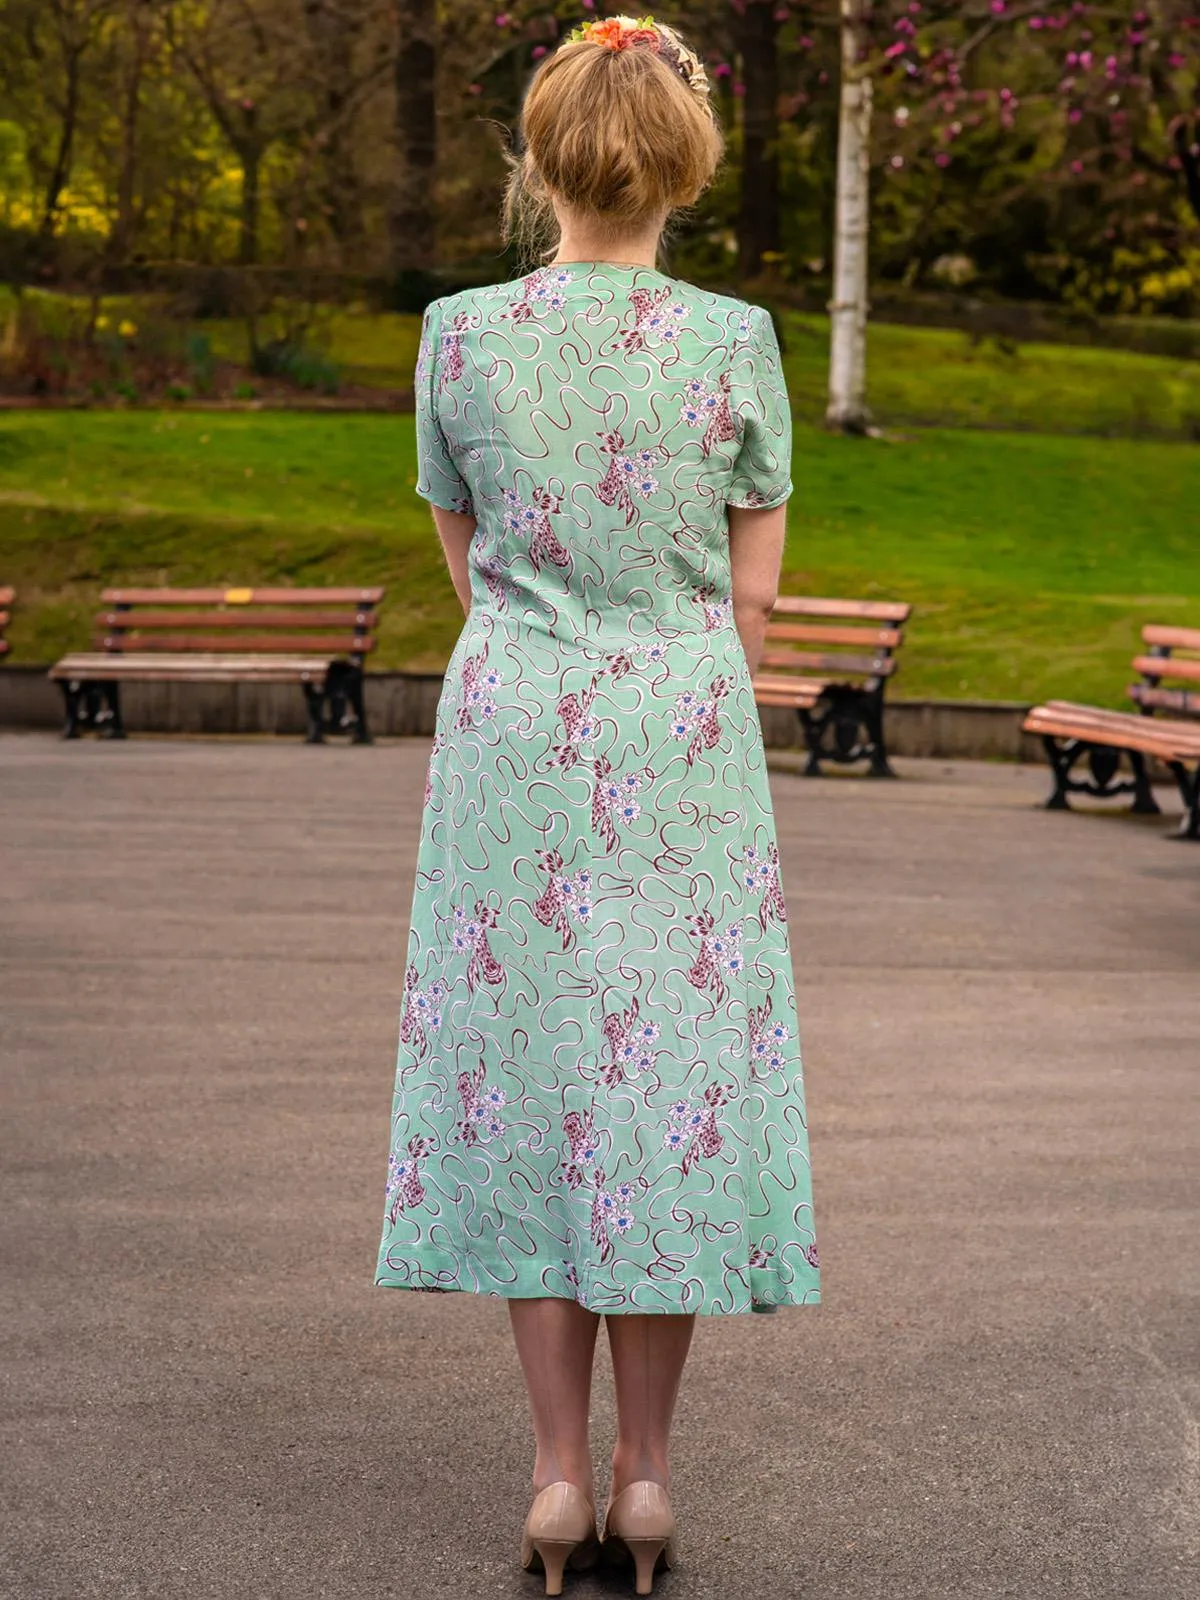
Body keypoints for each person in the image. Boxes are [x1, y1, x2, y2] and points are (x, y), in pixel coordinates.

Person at [376, 14, 818, 1595]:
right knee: (666, 1083)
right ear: (681, 165)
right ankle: (646, 1478)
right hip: (680, 736)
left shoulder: (459, 333)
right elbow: (753, 605)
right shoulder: (735, 341)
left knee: (535, 1076)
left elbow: (468, 567)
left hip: (516, 732)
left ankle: (555, 1477)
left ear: (540, 159)